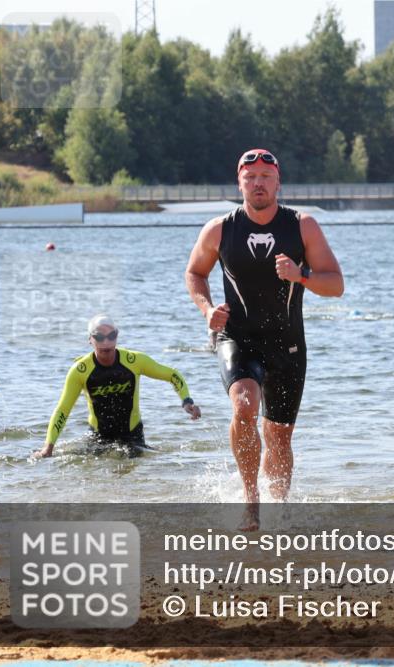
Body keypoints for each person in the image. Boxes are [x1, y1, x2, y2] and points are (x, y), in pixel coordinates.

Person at [185, 148, 344, 531]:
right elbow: (195, 273)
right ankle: (251, 503)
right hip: (236, 336)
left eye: (265, 177)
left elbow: (335, 285)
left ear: (278, 183)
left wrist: (301, 274)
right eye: (250, 177)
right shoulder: (220, 229)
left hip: (287, 343)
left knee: (279, 436)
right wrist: (207, 310)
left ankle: (280, 510)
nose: (258, 183)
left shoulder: (302, 226)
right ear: (239, 182)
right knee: (243, 406)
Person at [35, 315, 201, 458]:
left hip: (132, 437)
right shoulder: (80, 370)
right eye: (99, 337)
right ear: (90, 339)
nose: (106, 342)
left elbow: (173, 375)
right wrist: (48, 447)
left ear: (117, 336)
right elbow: (63, 410)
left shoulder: (134, 361)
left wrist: (186, 400)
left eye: (111, 336)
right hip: (97, 438)